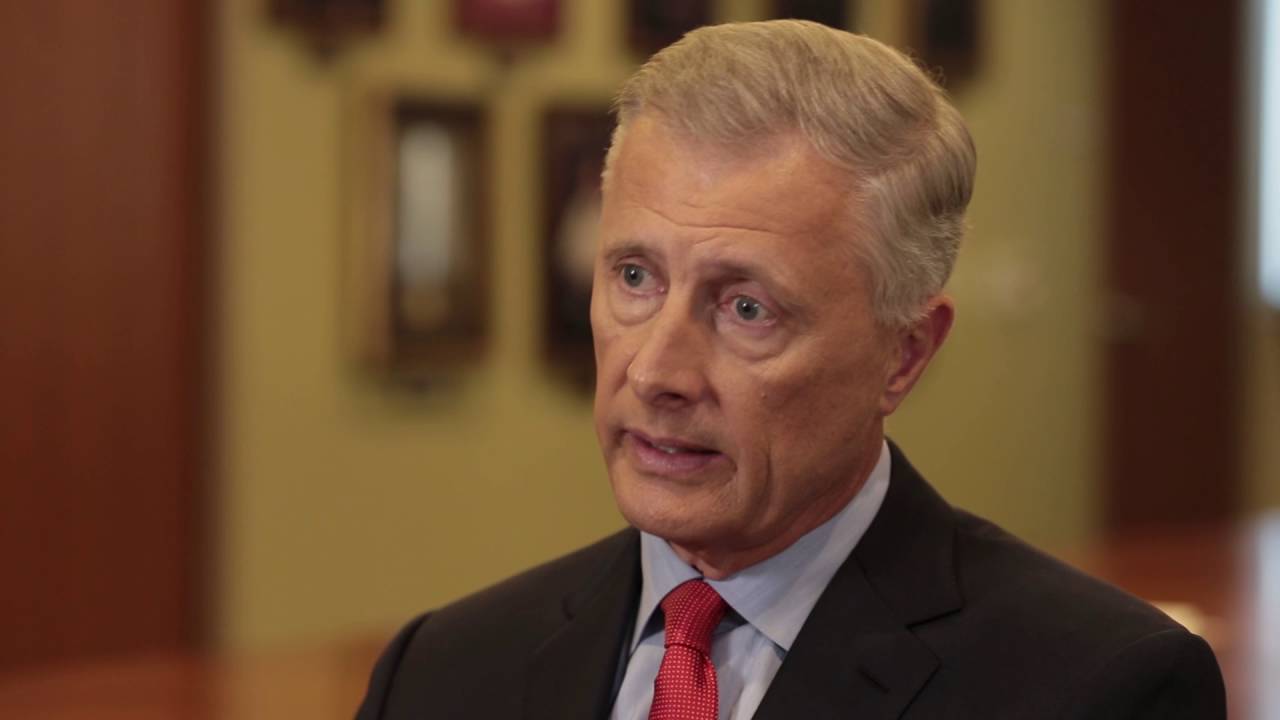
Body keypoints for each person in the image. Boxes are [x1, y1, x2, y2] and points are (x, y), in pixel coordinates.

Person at [356, 20, 1226, 720]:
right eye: (635, 278)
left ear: (905, 354)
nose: (656, 372)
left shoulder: (1099, 688)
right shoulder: (441, 670)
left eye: (747, 308)